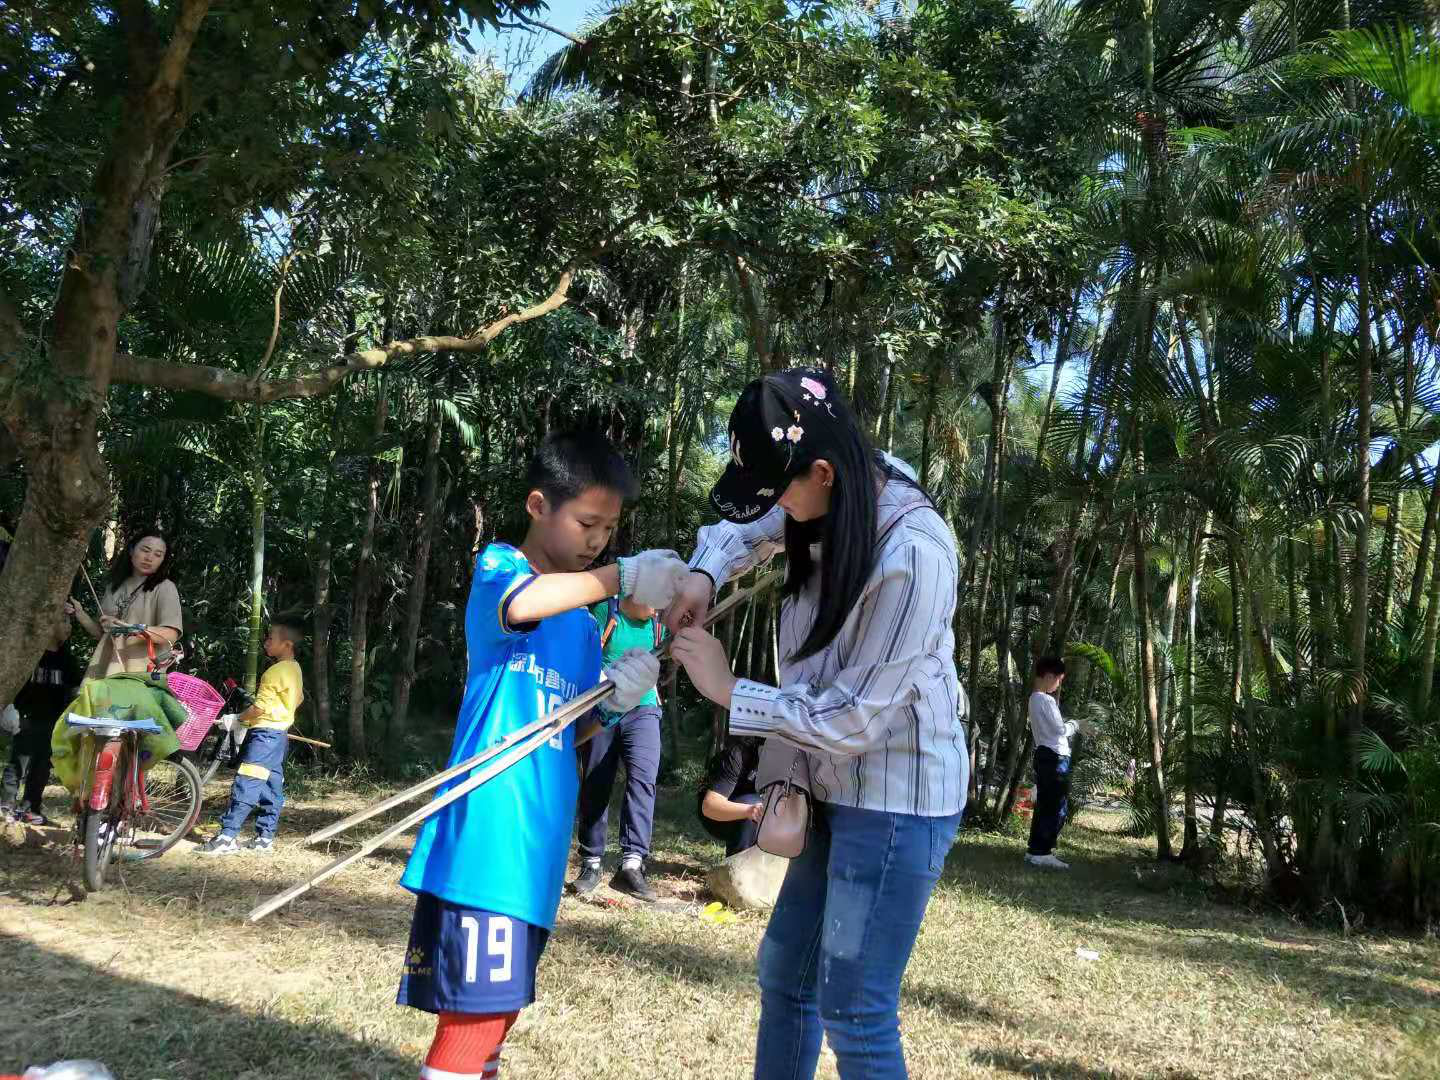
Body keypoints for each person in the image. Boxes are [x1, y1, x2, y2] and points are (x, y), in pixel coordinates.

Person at [667, 367, 969, 1080]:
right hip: (826, 783)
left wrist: (729, 689)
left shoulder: (914, 554)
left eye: (780, 492)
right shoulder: (836, 483)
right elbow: (744, 528)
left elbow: (855, 719)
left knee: (856, 1009)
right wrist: (705, 575)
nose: (775, 510)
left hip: (895, 797)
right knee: (786, 978)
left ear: (823, 473)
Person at [395, 432, 689, 1080]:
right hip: (490, 830)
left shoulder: (583, 625)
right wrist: (620, 577)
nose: (598, 541)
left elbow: (569, 727)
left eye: (609, 530)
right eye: (587, 523)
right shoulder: (502, 568)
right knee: (471, 1021)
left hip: (540, 843)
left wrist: (615, 701)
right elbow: (522, 605)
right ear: (537, 505)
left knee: (500, 1015)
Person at [571, 592, 667, 901]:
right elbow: (587, 656)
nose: (660, 605)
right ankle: (591, 861)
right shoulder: (607, 611)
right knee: (597, 779)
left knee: (643, 780)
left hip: (644, 707)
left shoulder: (659, 624)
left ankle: (632, 864)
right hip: (604, 706)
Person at [196, 618, 307, 856]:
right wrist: (281, 716)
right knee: (271, 786)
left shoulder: (274, 672)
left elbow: (259, 708)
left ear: (287, 644)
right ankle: (264, 838)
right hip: (279, 736)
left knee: (247, 782)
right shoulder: (295, 668)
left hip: (264, 737)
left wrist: (238, 719)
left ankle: (227, 837)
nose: (265, 642)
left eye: (270, 639)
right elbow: (299, 699)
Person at [1, 607, 79, 825]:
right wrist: (10, 708)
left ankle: (30, 807)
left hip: (52, 722)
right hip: (25, 718)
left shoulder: (67, 660)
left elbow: (75, 690)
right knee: (18, 763)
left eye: (70, 622)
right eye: (63, 621)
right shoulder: (29, 655)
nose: (68, 627)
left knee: (42, 766)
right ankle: (6, 804)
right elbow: (14, 683)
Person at [69, 532, 182, 679]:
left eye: (158, 555)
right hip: (103, 672)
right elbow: (103, 634)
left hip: (139, 677)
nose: (149, 558)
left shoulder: (165, 587)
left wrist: (127, 628)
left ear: (163, 560)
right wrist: (80, 614)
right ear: (131, 550)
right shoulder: (114, 586)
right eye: (145, 550)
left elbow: (170, 634)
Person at [1025, 655, 1091, 871]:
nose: (1058, 685)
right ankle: (1042, 852)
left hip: (1045, 754)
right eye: (1059, 680)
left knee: (1046, 804)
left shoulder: (1034, 699)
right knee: (1055, 806)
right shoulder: (1045, 700)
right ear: (1049, 676)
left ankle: (1036, 849)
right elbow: (1059, 729)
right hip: (1054, 758)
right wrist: (1077, 724)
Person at [698, 735, 764, 857]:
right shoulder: (738, 753)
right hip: (718, 816)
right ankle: (738, 865)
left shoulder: (793, 760)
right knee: (754, 807)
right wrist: (750, 810)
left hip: (759, 814)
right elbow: (709, 806)